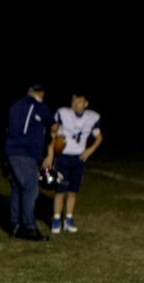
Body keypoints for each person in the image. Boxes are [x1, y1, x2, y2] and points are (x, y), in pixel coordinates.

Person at [4, 83, 58, 240]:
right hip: (25, 153)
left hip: (10, 151)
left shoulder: (15, 105)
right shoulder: (37, 105)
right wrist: (53, 139)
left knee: (17, 188)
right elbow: (53, 124)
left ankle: (15, 225)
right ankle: (29, 228)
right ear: (41, 94)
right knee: (30, 189)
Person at [51, 94, 103, 234]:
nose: (76, 104)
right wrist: (53, 140)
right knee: (60, 190)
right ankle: (56, 220)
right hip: (63, 157)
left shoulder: (92, 116)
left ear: (86, 103)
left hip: (78, 159)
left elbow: (99, 137)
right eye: (74, 101)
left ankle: (68, 219)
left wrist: (89, 151)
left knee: (73, 191)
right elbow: (53, 129)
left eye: (79, 102)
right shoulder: (63, 113)